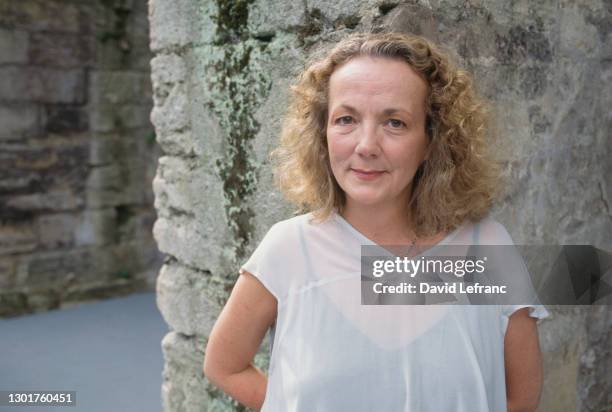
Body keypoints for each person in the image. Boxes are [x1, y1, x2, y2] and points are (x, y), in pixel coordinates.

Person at [203, 31, 549, 411]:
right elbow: (225, 365)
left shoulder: (489, 249)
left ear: (432, 140)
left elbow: (520, 398)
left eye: (395, 123)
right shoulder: (288, 249)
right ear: (322, 134)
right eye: (346, 119)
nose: (366, 145)